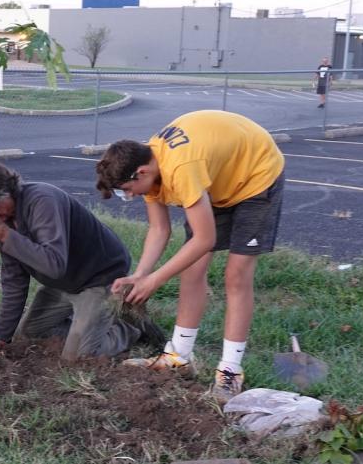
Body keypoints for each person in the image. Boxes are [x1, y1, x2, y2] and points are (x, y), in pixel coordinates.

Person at [94, 110, 285, 403]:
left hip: (256, 174)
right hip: (218, 177)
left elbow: (204, 238)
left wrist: (156, 280)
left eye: (127, 190)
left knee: (235, 275)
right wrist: (140, 275)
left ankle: (230, 372)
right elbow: (159, 229)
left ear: (141, 173)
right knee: (191, 269)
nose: (129, 197)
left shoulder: (180, 170)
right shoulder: (149, 165)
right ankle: (179, 357)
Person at [0, 162, 165, 360]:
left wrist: (6, 236)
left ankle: (128, 328)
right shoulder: (4, 221)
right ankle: (89, 323)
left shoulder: (42, 201)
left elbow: (54, 265)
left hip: (100, 278)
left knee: (78, 357)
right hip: (66, 283)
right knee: (29, 334)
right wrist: (0, 335)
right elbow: (14, 282)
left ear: (5, 191)